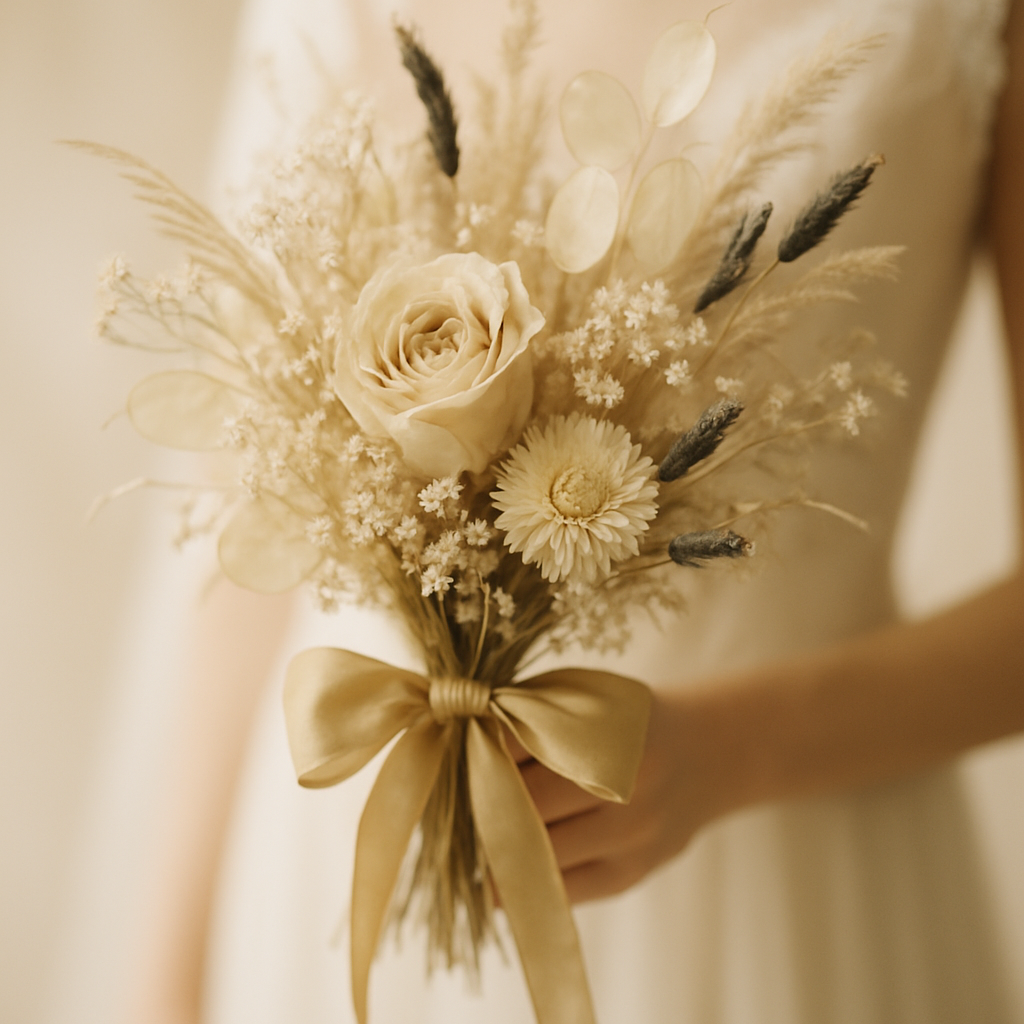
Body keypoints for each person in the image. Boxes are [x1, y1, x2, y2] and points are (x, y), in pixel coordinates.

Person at [123, 1, 1024, 1022]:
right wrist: (169, 978)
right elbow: (239, 525)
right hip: (335, 866)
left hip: (776, 879)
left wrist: (724, 753)